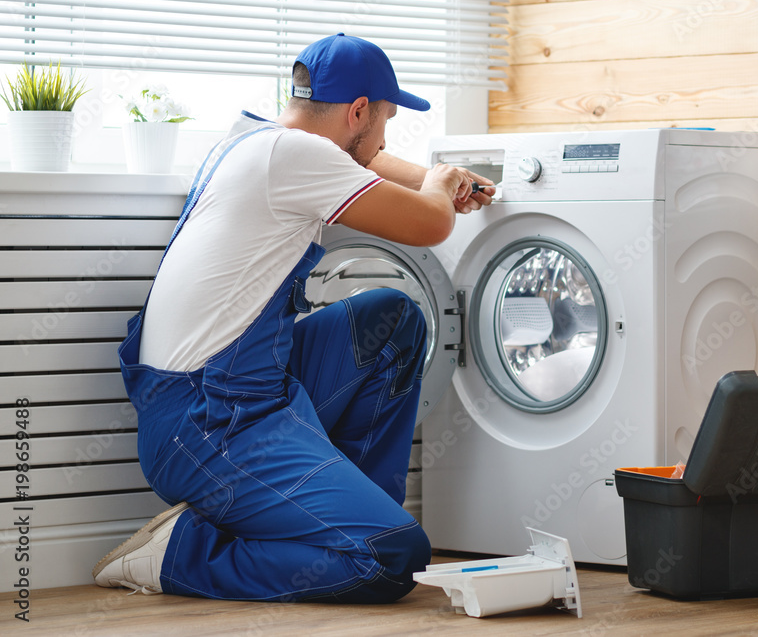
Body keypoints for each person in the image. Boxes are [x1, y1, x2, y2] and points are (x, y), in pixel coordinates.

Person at [91, 33, 494, 603]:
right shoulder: (301, 157)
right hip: (211, 426)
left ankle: (350, 512)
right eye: (385, 120)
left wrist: (441, 178)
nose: (384, 137)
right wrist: (439, 188)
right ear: (357, 111)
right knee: (393, 558)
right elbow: (431, 225)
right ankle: (179, 554)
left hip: (234, 393)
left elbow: (370, 161)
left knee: (393, 319)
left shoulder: (255, 138)